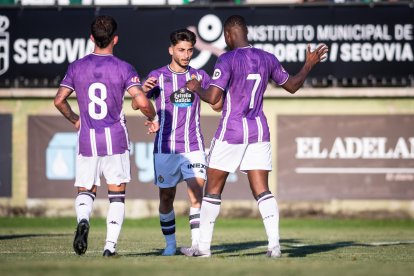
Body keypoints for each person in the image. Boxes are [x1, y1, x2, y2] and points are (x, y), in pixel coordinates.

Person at [181, 15, 328, 258]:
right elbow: (292, 86)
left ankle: (203, 248)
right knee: (262, 190)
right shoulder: (266, 58)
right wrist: (308, 64)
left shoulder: (227, 59)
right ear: (245, 33)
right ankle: (275, 246)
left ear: (228, 35)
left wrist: (197, 88)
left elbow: (214, 99)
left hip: (232, 131)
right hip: (258, 130)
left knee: (213, 189)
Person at [54, 15, 158, 257]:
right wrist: (152, 117)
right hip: (115, 138)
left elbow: (59, 101)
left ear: (91, 38)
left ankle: (84, 220)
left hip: (87, 137)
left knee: (85, 190)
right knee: (117, 195)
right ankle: (109, 248)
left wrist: (75, 120)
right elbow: (141, 100)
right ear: (116, 39)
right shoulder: (123, 68)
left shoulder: (77, 67)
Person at [132, 29, 213, 256]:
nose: (186, 55)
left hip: (193, 145)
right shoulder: (157, 76)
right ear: (171, 50)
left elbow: (216, 103)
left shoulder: (199, 76)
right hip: (165, 147)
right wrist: (142, 93)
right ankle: (170, 245)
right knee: (166, 197)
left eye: (189, 50)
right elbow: (136, 106)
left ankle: (197, 245)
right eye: (181, 50)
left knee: (197, 193)